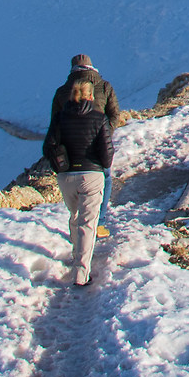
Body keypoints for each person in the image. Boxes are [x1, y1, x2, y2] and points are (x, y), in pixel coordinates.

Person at [42, 60, 114, 285]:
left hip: (66, 177)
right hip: (92, 175)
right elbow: (107, 153)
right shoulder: (98, 119)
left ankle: (76, 253)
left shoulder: (60, 118)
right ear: (91, 96)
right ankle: (81, 274)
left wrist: (61, 164)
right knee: (87, 223)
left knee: (75, 216)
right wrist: (100, 167)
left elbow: (48, 147)